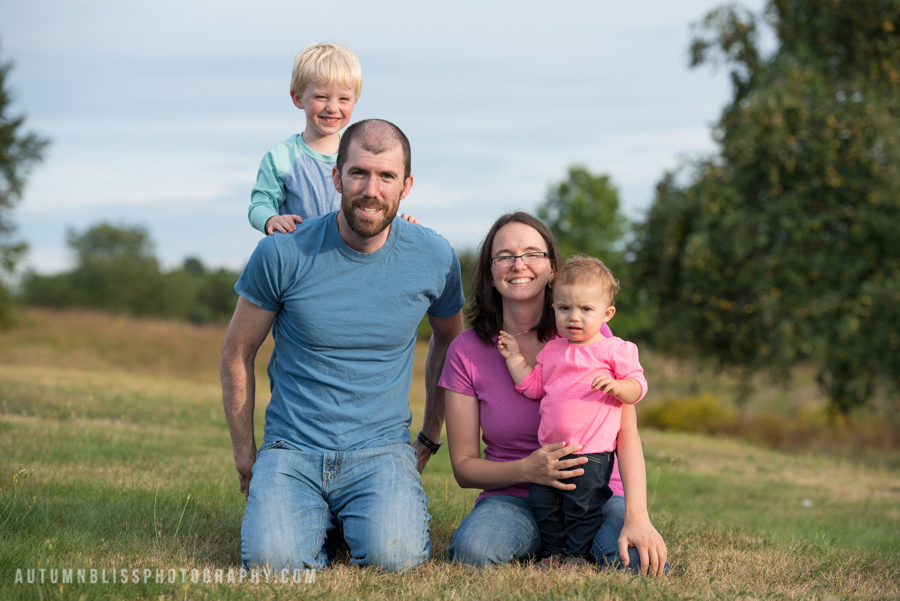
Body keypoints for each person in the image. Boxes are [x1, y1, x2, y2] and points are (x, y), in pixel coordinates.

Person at [222, 119, 465, 572]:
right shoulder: (283, 253)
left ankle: (343, 516)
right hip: (291, 447)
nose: (371, 189)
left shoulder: (434, 257)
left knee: (396, 559)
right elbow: (237, 352)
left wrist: (430, 438)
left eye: (387, 176)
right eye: (358, 173)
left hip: (382, 450)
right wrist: (246, 458)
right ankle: (311, 513)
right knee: (274, 563)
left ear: (406, 186)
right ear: (336, 177)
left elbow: (451, 343)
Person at [440, 212, 668, 576]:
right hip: (515, 496)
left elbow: (627, 436)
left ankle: (577, 546)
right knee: (472, 552)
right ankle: (549, 544)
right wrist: (527, 469)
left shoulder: (592, 339)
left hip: (595, 494)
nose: (519, 265)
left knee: (639, 563)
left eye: (532, 253)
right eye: (505, 256)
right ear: (490, 271)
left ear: (552, 269)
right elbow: (464, 468)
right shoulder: (467, 351)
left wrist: (638, 516)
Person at [497, 254, 647, 567]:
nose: (573, 317)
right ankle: (554, 554)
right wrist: (514, 358)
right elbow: (534, 386)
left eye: (585, 309)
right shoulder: (552, 351)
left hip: (591, 453)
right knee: (545, 505)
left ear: (607, 313)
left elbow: (637, 386)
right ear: (554, 308)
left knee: (582, 508)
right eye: (564, 308)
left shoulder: (614, 349)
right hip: (549, 452)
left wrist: (619, 387)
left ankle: (577, 556)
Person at [247, 42, 360, 235]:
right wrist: (270, 219)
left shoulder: (360, 154)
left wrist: (400, 221)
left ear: (354, 100)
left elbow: (376, 201)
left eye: (343, 99)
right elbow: (259, 204)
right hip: (300, 258)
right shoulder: (281, 157)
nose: (332, 107)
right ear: (298, 98)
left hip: (349, 260)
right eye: (321, 97)